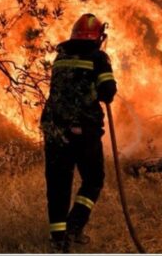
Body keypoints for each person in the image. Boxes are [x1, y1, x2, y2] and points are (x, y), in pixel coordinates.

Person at [40, 13, 117, 252]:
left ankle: (58, 240)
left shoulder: (60, 57)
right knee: (93, 179)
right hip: (83, 132)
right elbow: (108, 92)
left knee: (58, 184)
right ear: (97, 37)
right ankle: (75, 226)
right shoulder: (98, 57)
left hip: (54, 129)